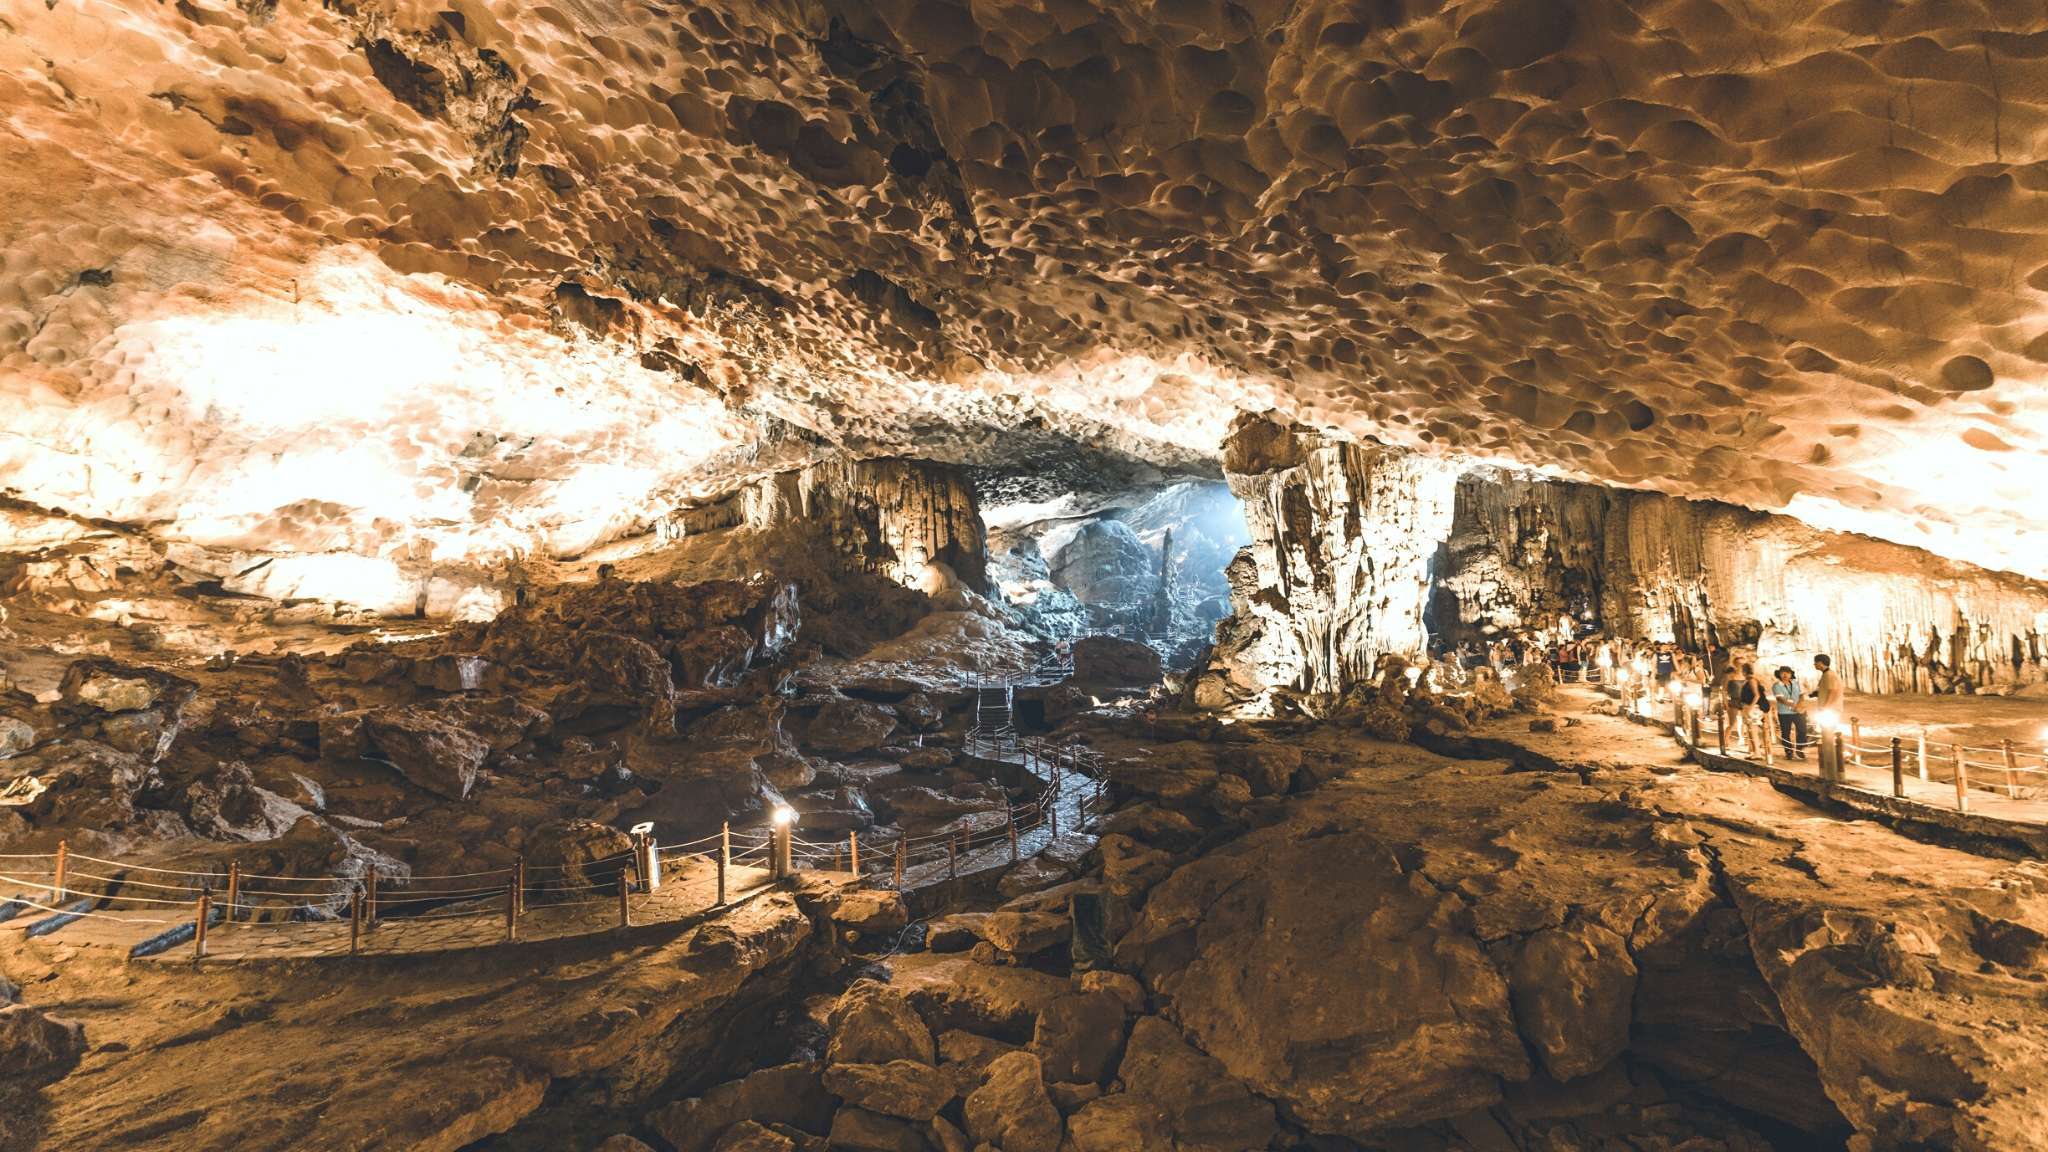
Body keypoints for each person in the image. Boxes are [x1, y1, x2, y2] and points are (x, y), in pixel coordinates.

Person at [1771, 666, 1808, 759]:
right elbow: (1780, 699)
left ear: (1791, 674)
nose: (1785, 675)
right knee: (1785, 732)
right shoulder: (1776, 685)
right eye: (1782, 673)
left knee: (1802, 730)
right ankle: (1788, 751)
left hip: (1799, 711)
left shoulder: (1796, 683)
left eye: (1787, 673)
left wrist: (1800, 705)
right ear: (1779, 674)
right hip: (1784, 713)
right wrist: (1794, 706)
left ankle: (1800, 749)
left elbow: (1801, 695)